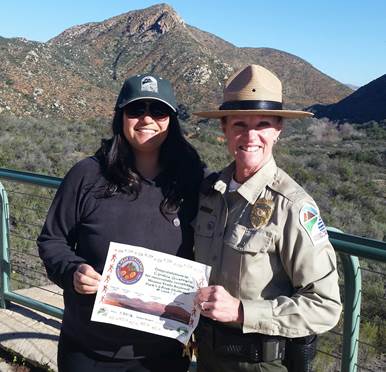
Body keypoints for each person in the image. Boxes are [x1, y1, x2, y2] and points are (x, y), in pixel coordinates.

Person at [38, 73, 204, 372]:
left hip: (164, 353)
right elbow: (52, 240)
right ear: (120, 116)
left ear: (172, 120)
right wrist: (73, 271)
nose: (147, 119)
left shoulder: (193, 180)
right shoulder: (87, 175)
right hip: (89, 350)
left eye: (159, 110)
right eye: (136, 110)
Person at [193, 65, 342, 372]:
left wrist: (242, 312)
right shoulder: (210, 194)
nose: (250, 136)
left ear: (278, 131)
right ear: (224, 130)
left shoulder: (293, 206)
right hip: (207, 356)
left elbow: (325, 306)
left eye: (262, 124)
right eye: (238, 124)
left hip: (260, 362)